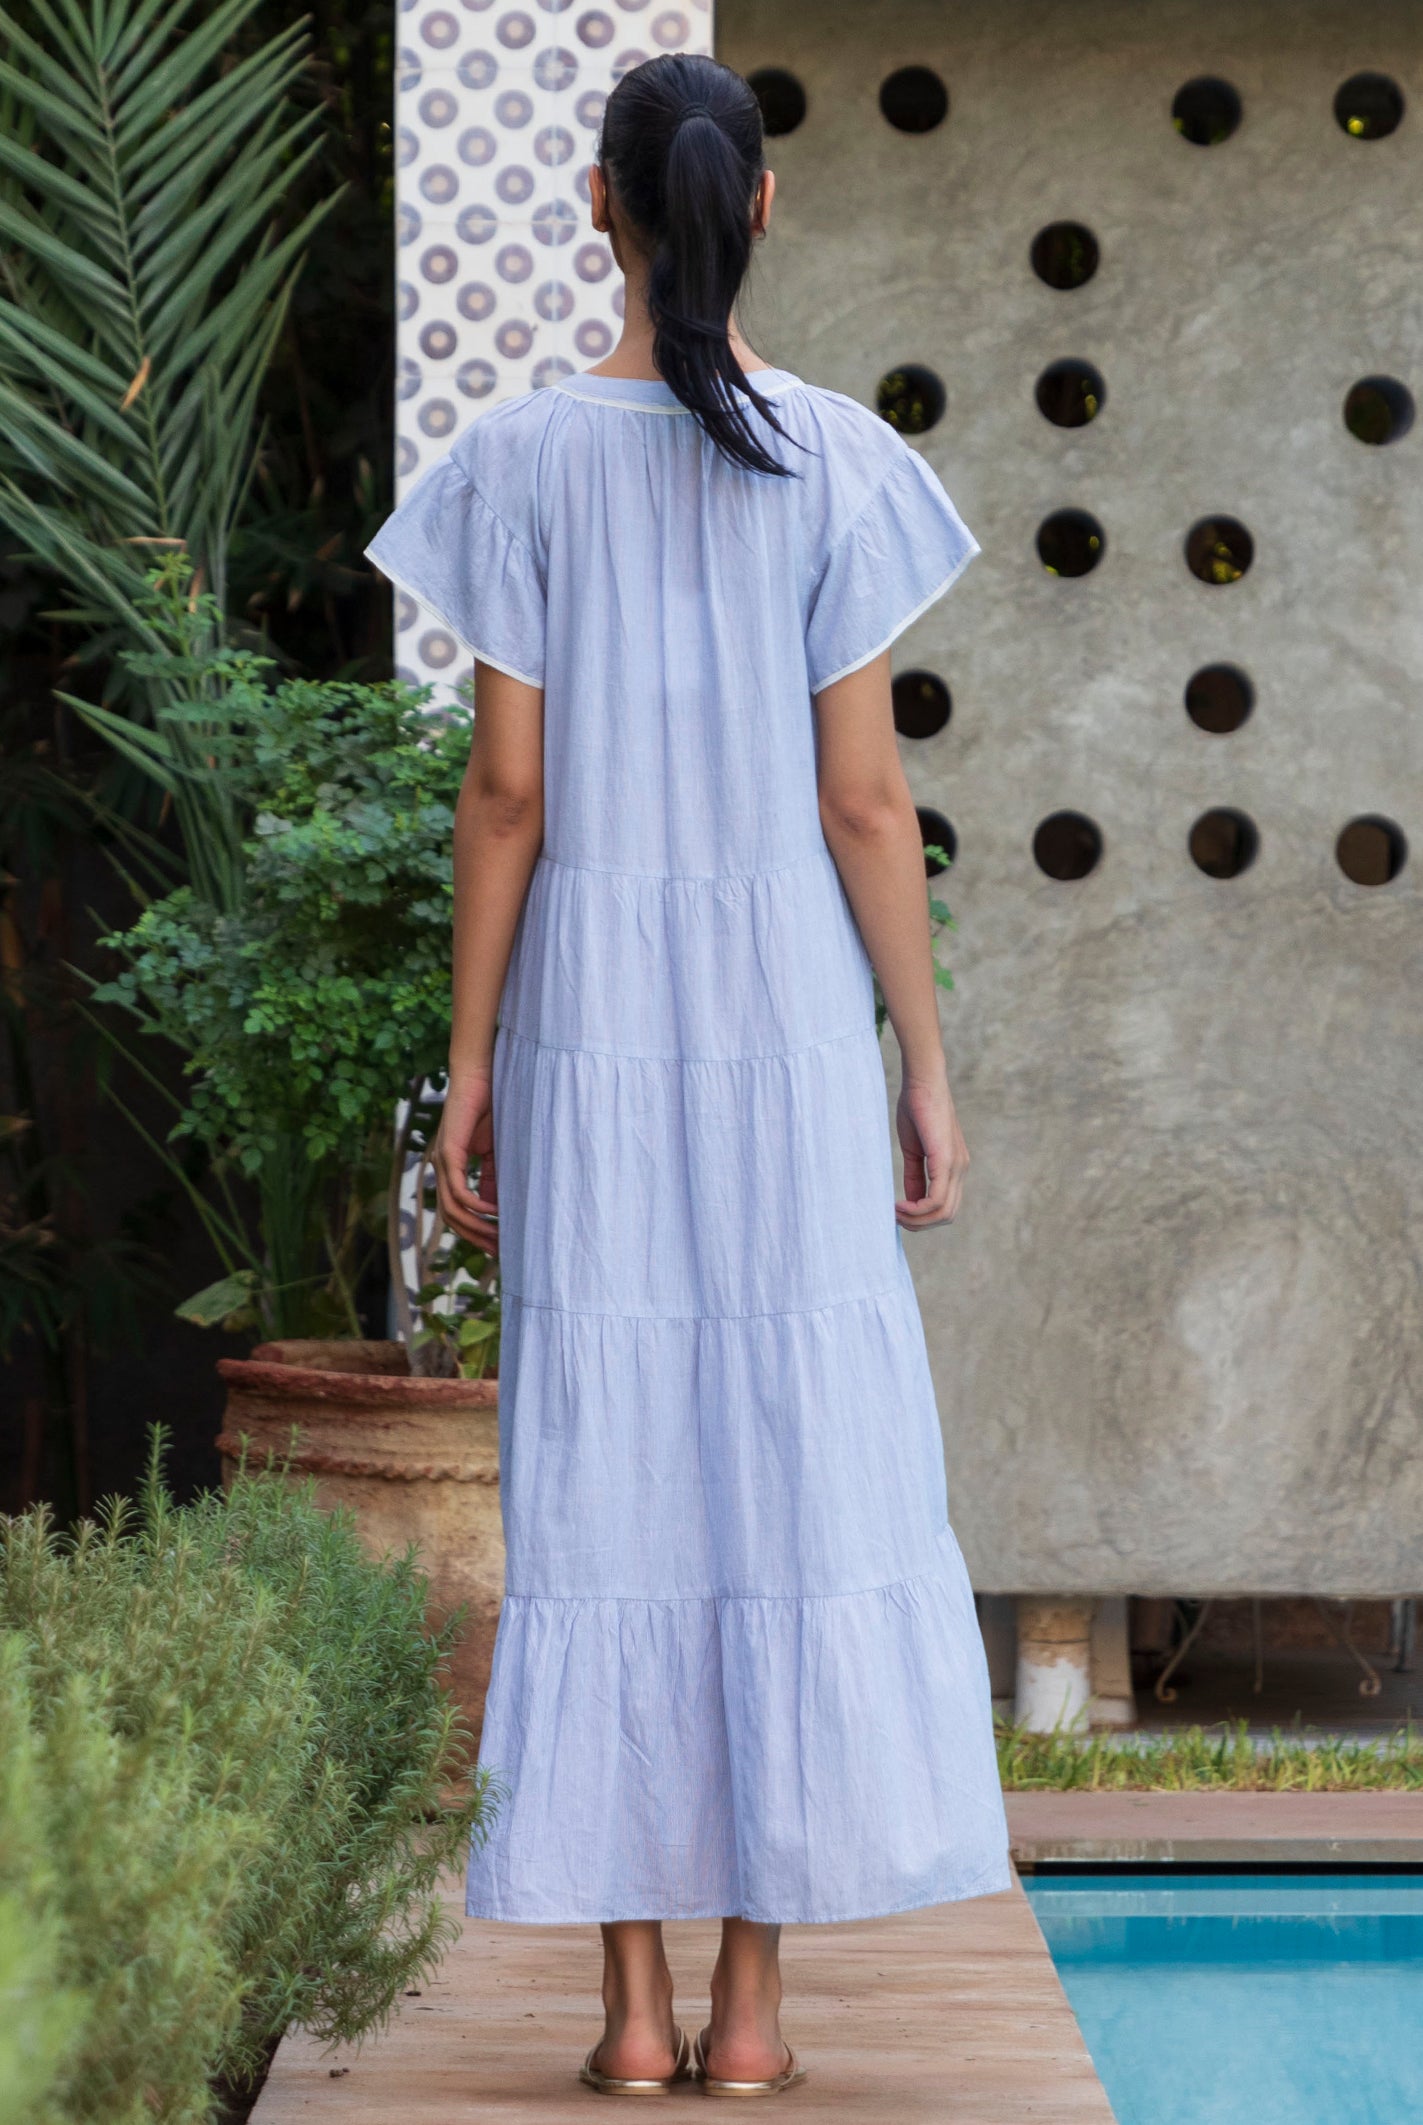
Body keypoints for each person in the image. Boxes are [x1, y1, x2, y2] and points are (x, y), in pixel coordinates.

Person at [366, 49, 1011, 2099]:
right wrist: (923, 1060)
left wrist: (468, 1062)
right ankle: (750, 2013)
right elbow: (866, 804)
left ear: (601, 207)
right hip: (788, 1028)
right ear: (762, 209)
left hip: (594, 1031)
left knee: (608, 1468)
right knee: (785, 1460)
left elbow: (504, 795)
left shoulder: (520, 463)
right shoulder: (838, 457)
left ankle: (629, 2012)